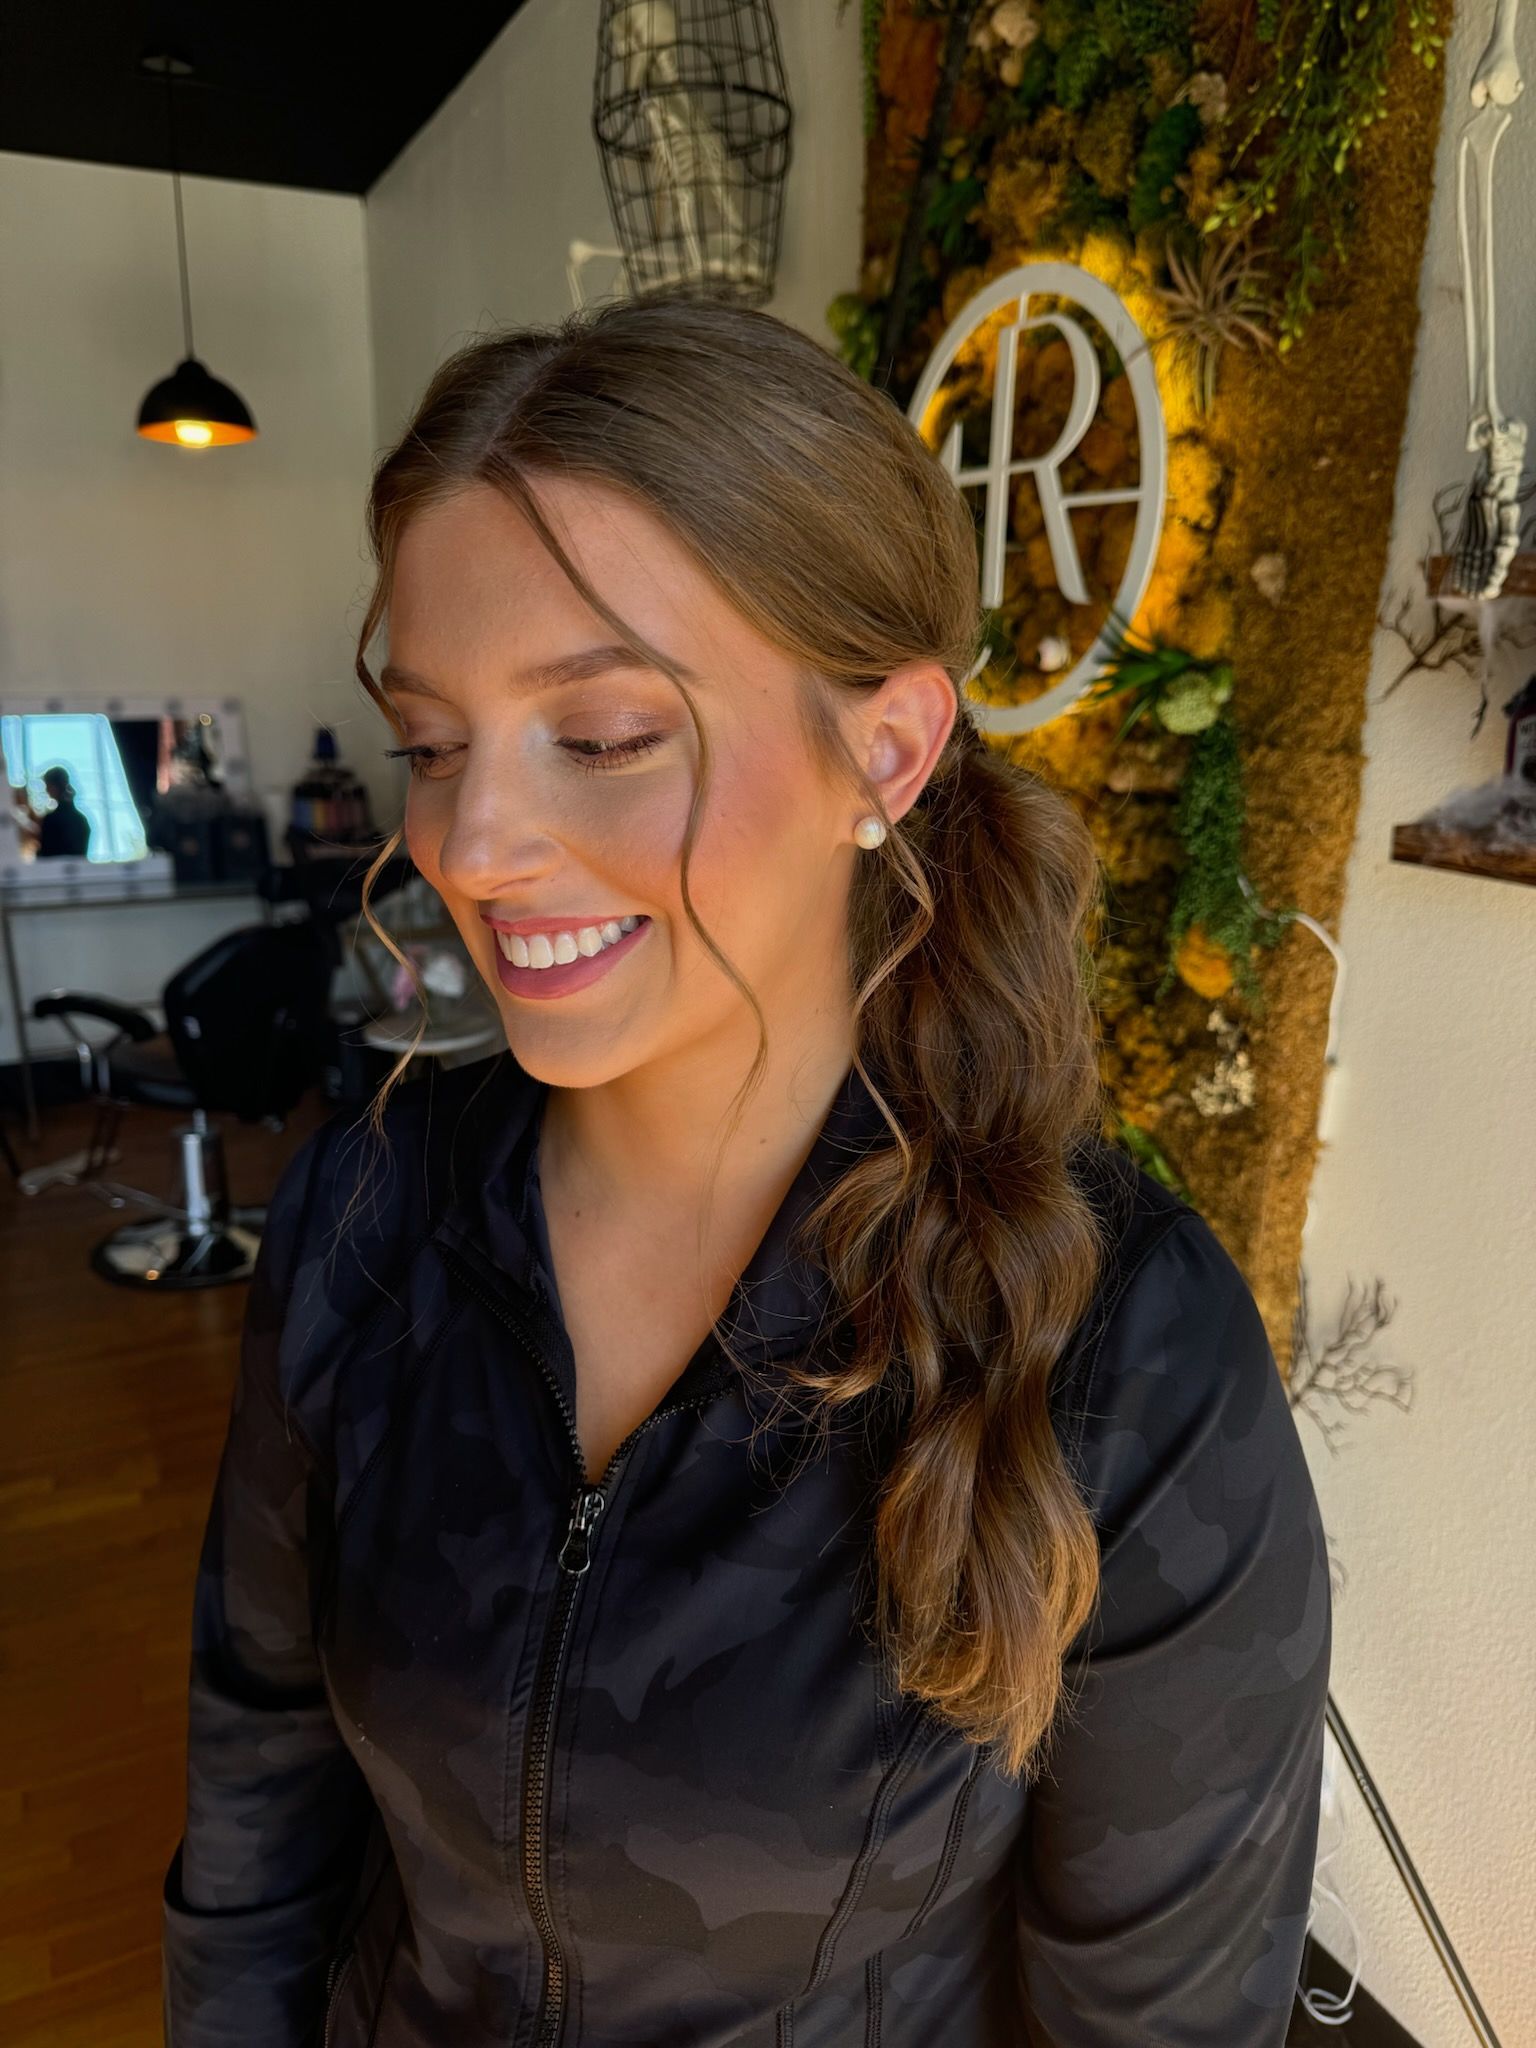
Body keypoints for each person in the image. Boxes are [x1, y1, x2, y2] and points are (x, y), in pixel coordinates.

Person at [161, 295, 1331, 2048]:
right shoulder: (365, 1221)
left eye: (605, 735)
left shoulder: (1125, 1354)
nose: (472, 844)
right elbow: (258, 1824)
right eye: (431, 743)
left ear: (886, 750)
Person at [35, 765, 90, 858]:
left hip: (55, 867)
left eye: (47, 786)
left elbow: (45, 856)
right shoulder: (82, 820)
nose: (46, 790)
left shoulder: (51, 820)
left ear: (53, 787)